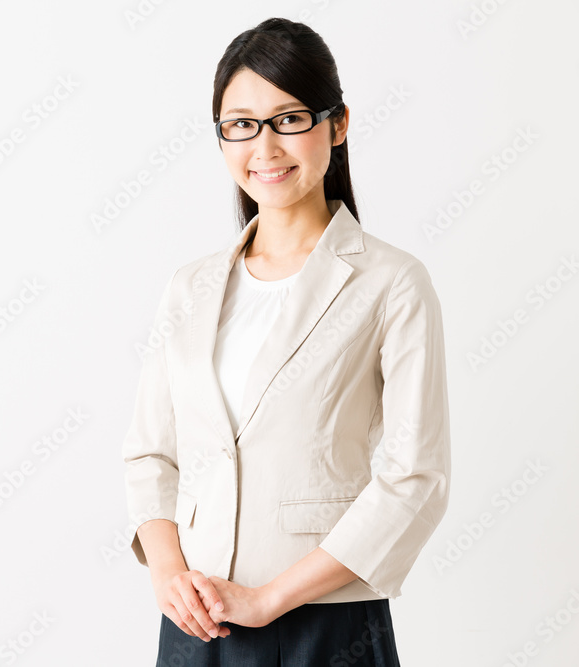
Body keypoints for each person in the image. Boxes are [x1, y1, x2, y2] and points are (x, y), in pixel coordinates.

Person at [121, 17, 451, 666]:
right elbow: (149, 455)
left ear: (338, 124)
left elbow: (416, 478)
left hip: (326, 626)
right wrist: (168, 574)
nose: (264, 146)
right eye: (241, 124)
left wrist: (269, 598)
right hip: (197, 624)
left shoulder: (393, 283)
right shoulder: (189, 287)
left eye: (289, 118)